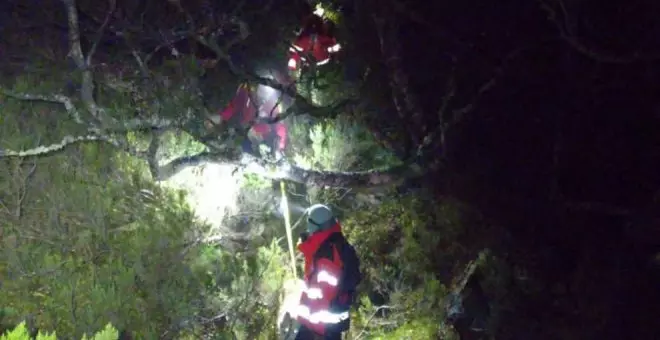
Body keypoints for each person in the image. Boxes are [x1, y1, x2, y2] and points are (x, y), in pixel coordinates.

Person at [293, 204, 361, 340]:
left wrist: (316, 332)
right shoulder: (334, 244)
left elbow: (324, 293)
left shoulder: (328, 253)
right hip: (328, 325)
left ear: (316, 226)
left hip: (320, 326)